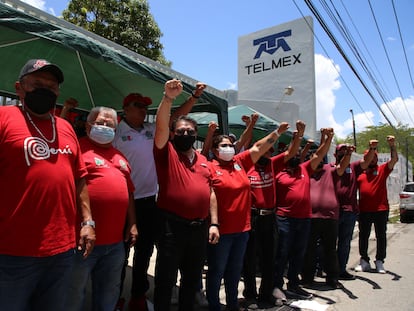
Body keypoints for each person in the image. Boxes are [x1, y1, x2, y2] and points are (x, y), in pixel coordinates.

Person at [0, 59, 95, 310]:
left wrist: (87, 222)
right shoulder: (4, 117)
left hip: (61, 250)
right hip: (12, 251)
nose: (45, 90)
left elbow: (79, 178)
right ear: (19, 88)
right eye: (37, 84)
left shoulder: (65, 127)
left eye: (51, 87)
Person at [112, 82, 206, 310]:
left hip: (149, 201)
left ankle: (137, 295)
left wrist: (193, 97)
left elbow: (175, 116)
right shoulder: (115, 132)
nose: (144, 110)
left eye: (146, 107)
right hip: (124, 202)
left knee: (144, 253)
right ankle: (115, 297)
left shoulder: (150, 129)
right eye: (138, 106)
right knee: (120, 255)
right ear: (126, 109)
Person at [207, 121, 290, 311]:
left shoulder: (240, 163)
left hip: (243, 230)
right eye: (223, 146)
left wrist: (277, 132)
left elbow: (259, 146)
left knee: (235, 272)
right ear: (214, 149)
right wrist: (213, 224)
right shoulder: (210, 167)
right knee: (217, 271)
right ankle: (214, 306)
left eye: (230, 145)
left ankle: (232, 304)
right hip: (222, 231)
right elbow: (210, 194)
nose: (228, 148)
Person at [153, 79, 219, 311]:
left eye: (190, 131)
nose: (185, 134)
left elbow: (210, 192)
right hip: (171, 227)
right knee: (165, 279)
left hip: (199, 229)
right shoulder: (166, 151)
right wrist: (168, 99)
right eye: (180, 131)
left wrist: (214, 224)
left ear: (196, 134)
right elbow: (161, 126)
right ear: (173, 134)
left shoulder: (203, 160)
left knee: (191, 282)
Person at [65, 107, 138, 311]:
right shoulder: (77, 151)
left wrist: (132, 223)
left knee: (108, 292)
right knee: (73, 294)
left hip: (114, 244)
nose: (104, 127)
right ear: (88, 126)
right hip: (82, 241)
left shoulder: (120, 157)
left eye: (110, 125)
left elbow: (129, 193)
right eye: (100, 123)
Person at [242, 121, 305, 307]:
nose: (268, 154)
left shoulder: (272, 164)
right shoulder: (246, 165)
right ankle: (250, 295)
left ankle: (266, 294)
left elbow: (291, 153)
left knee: (270, 258)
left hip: (270, 218)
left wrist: (299, 136)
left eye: (270, 151)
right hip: (252, 217)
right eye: (265, 150)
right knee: (250, 259)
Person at [273, 128, 334, 301]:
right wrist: (298, 135)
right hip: (284, 218)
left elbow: (319, 153)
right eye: (292, 153)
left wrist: (329, 138)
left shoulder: (305, 169)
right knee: (282, 253)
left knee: (299, 253)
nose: (295, 156)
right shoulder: (278, 171)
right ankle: (276, 285)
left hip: (304, 219)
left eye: (298, 154)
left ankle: (293, 284)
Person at [301, 141, 354, 289]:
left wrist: (348, 153)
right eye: (313, 158)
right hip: (310, 217)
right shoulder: (306, 171)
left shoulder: (329, 170)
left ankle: (332, 279)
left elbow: (342, 166)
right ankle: (307, 278)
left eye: (318, 157)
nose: (316, 160)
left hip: (330, 217)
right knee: (309, 249)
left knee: (330, 249)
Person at [355, 136, 398, 273]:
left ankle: (380, 261)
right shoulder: (359, 172)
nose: (372, 159)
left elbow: (394, 160)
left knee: (381, 235)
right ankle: (364, 261)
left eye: (374, 157)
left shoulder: (382, 169)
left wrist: (392, 145)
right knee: (363, 235)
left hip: (381, 209)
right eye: (370, 156)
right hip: (364, 210)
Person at [333, 142, 373, 280]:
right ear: (335, 154)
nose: (343, 153)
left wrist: (372, 149)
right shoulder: (330, 168)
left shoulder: (354, 167)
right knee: (330, 242)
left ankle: (341, 270)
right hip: (333, 211)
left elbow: (366, 161)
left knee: (345, 242)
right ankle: (327, 269)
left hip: (349, 211)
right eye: (341, 151)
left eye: (346, 151)